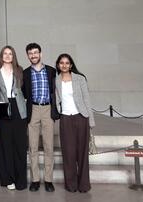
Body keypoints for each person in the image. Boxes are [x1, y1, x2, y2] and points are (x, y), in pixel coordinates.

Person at [21, 43, 59, 192]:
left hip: (48, 109)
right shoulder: (25, 73)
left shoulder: (51, 71)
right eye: (30, 53)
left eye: (36, 53)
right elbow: (23, 92)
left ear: (40, 54)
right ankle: (35, 180)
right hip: (33, 110)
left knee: (49, 147)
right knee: (33, 147)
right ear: (28, 56)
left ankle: (48, 180)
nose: (33, 55)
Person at [55, 53, 95, 193]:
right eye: (61, 63)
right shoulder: (56, 80)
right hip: (65, 119)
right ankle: (71, 185)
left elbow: (87, 100)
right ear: (58, 65)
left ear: (71, 65)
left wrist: (91, 121)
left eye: (67, 63)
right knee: (68, 153)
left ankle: (84, 185)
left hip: (81, 117)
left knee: (82, 153)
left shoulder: (80, 79)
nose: (64, 65)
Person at [0, 45, 28, 191]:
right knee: (4, 144)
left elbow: (23, 90)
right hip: (2, 106)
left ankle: (21, 180)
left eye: (10, 54)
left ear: (13, 56)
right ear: (1, 55)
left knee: (19, 145)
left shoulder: (19, 70)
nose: (7, 56)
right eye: (5, 53)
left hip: (18, 107)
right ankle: (8, 179)